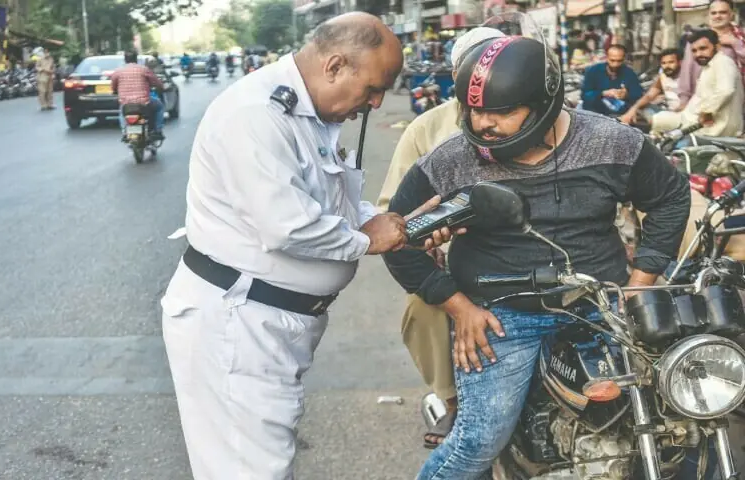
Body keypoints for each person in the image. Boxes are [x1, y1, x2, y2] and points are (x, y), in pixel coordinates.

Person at [381, 17, 690, 479]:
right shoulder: (450, 160)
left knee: (666, 423)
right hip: (500, 316)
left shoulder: (613, 141)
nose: (481, 123)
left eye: (500, 111)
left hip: (601, 305)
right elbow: (398, 238)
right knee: (476, 445)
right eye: (472, 110)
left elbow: (671, 196)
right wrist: (458, 306)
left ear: (543, 102)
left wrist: (640, 282)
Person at [160, 12, 446, 480]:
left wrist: (392, 224)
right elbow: (286, 226)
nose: (377, 103)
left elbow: (330, 203)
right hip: (240, 326)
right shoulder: (255, 114)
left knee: (265, 465)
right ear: (334, 66)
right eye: (373, 88)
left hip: (271, 324)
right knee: (253, 471)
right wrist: (366, 239)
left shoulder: (308, 114)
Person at [376, 26, 505, 450]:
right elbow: (392, 213)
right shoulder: (427, 129)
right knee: (424, 307)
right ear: (457, 76)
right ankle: (451, 399)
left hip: (522, 251)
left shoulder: (539, 117)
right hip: (451, 255)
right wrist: (430, 233)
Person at [651, 29, 743, 138]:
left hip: (713, 127)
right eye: (694, 51)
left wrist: (707, 112)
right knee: (657, 121)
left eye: (703, 48)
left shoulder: (723, 62)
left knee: (657, 123)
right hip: (693, 119)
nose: (698, 54)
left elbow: (726, 90)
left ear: (717, 46)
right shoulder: (710, 65)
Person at [677, 0, 745, 106]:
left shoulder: (740, 36)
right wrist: (684, 99)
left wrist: (735, 43)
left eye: (723, 12)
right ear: (708, 15)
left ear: (732, 14)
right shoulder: (697, 37)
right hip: (702, 98)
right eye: (714, 13)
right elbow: (687, 70)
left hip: (734, 100)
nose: (718, 16)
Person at [110, 51, 166, 141]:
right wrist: (161, 87)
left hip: (126, 103)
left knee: (122, 111)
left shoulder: (118, 71)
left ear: (125, 59)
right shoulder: (143, 69)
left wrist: (114, 91)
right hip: (143, 102)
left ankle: (124, 133)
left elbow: (113, 86)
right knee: (159, 106)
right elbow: (155, 82)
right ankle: (158, 131)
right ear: (136, 59)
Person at [619, 48, 683, 126]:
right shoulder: (663, 77)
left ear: (680, 62)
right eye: (664, 63)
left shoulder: (688, 78)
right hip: (669, 111)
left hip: (683, 114)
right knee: (640, 106)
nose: (667, 66)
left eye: (671, 62)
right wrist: (632, 110)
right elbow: (649, 96)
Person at [581, 44, 644, 116]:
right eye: (612, 60)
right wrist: (603, 93)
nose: (615, 64)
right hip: (596, 113)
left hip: (619, 115)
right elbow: (584, 96)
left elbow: (639, 95)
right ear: (606, 58)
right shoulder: (593, 71)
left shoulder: (629, 73)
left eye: (619, 61)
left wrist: (626, 95)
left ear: (624, 59)